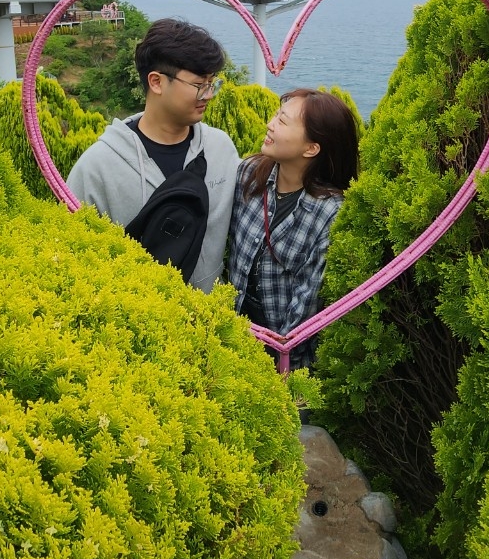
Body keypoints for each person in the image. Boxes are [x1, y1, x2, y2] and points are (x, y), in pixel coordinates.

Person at [67, 18, 239, 292]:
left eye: (212, 83)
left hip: (213, 314)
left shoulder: (221, 149)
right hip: (135, 314)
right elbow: (74, 260)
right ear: (156, 82)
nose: (209, 95)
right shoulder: (96, 168)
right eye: (199, 85)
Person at [228, 89, 359, 367]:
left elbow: (306, 304)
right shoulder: (250, 174)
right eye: (276, 115)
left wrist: (283, 367)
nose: (270, 124)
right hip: (231, 337)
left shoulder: (329, 212)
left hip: (283, 359)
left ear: (311, 148)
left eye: (283, 121)